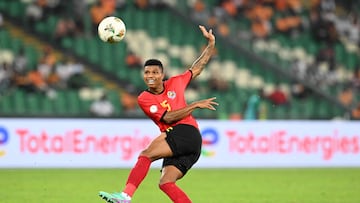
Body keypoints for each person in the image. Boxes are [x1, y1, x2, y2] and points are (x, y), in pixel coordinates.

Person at [99, 25, 217, 203]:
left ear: (162, 74)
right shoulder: (144, 98)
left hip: (187, 132)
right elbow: (168, 117)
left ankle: (125, 196)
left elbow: (198, 67)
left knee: (146, 154)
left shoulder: (175, 83)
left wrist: (211, 44)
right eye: (147, 72)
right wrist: (194, 105)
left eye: (155, 72)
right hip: (187, 142)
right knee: (165, 182)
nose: (150, 75)